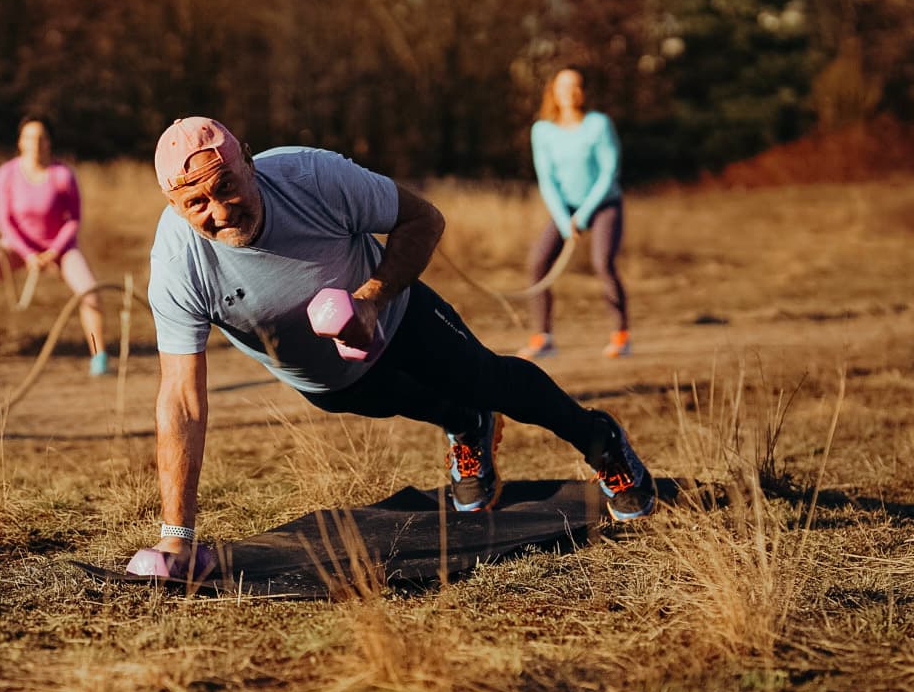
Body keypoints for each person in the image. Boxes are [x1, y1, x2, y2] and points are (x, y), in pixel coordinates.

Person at [142, 116, 656, 573]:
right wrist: (177, 537)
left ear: (248, 163)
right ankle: (467, 424)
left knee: (486, 379)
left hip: (400, 317)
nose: (221, 210)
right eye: (197, 203)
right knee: (405, 402)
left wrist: (371, 300)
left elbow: (424, 219)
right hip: (324, 379)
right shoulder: (176, 266)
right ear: (174, 205)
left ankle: (600, 440)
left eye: (227, 185)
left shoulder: (313, 177)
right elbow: (182, 399)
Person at [0, 116, 111, 376]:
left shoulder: (63, 175)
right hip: (17, 246)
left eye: (41, 137)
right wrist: (29, 254)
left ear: (49, 142)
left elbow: (74, 220)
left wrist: (54, 252)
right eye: (29, 137)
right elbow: (5, 221)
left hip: (59, 248)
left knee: (90, 292)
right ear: (20, 141)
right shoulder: (7, 174)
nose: (35, 143)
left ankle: (99, 355)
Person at [518, 67, 630, 360]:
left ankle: (620, 334)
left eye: (577, 85)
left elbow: (609, 172)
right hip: (564, 208)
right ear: (553, 91)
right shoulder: (542, 130)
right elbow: (547, 179)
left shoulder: (599, 124)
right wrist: (566, 222)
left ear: (584, 91)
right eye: (564, 86)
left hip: (603, 203)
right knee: (537, 263)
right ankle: (543, 336)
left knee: (602, 262)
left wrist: (584, 214)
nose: (570, 91)